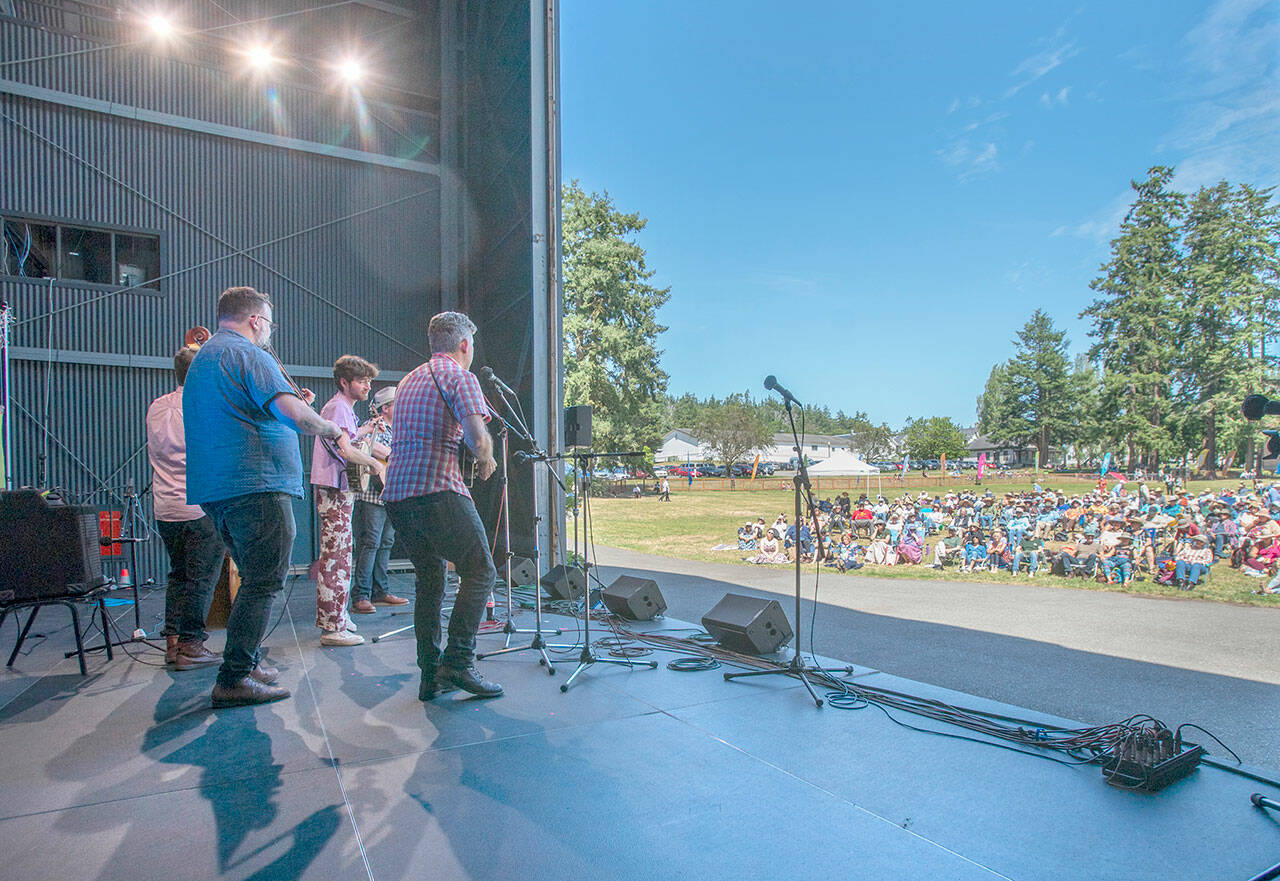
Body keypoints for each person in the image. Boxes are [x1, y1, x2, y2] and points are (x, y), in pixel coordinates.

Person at [185, 286, 345, 707]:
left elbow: (250, 408)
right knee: (263, 581)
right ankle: (233, 676)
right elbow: (295, 416)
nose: (269, 330)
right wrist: (329, 427)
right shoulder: (249, 354)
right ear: (256, 320)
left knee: (253, 575)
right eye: (269, 322)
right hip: (255, 484)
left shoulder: (206, 357)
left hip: (218, 489)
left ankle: (248, 658)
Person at [383, 311, 502, 701]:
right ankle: (459, 661)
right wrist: (485, 459)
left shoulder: (408, 381)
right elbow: (475, 436)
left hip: (399, 496)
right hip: (435, 488)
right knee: (481, 570)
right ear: (465, 344)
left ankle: (430, 674)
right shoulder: (459, 376)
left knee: (430, 581)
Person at [147, 346, 223, 671]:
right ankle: (192, 645)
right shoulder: (202, 406)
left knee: (178, 574)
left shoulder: (156, 406)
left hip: (164, 507)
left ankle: (172, 643)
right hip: (198, 506)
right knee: (201, 578)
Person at [311, 355, 386, 646]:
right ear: (345, 382)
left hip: (339, 488)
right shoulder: (339, 407)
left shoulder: (343, 409)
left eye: (369, 380)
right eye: (361, 380)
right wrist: (375, 464)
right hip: (333, 488)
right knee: (336, 557)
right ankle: (332, 626)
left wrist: (366, 431)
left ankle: (338, 617)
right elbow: (346, 451)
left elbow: (349, 440)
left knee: (341, 554)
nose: (368, 385)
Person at [349, 386, 408, 615]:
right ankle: (361, 594)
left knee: (386, 542)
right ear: (385, 408)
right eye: (397, 403)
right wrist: (392, 455)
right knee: (370, 543)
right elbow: (369, 446)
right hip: (372, 496)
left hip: (391, 494)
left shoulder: (400, 430)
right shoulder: (373, 425)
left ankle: (380, 591)